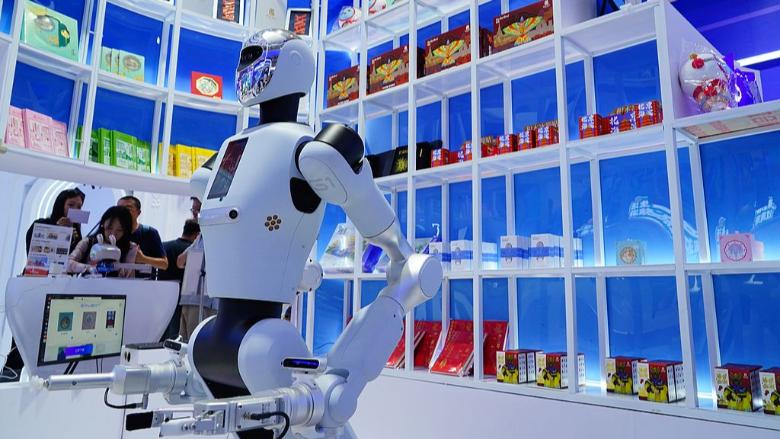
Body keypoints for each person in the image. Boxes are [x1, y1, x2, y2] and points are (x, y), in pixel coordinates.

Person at [158, 219, 201, 341]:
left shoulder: (164, 246)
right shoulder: (193, 250)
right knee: (176, 335)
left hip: (161, 295)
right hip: (182, 297)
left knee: (161, 331)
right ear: (197, 234)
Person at [67, 206, 138, 277]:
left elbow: (127, 274)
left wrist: (117, 263)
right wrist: (88, 268)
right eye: (109, 228)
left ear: (126, 231)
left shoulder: (131, 247)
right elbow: (67, 263)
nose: (113, 233)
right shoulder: (88, 242)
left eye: (119, 230)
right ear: (103, 224)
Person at [117, 196, 168, 275]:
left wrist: (143, 259)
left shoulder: (149, 232)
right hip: (112, 281)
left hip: (142, 282)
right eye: (119, 209)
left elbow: (164, 264)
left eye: (128, 208)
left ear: (138, 212)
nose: (122, 212)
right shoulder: (111, 233)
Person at [25, 187, 86, 255]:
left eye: (79, 207)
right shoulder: (40, 224)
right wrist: (58, 230)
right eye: (71, 205)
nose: (76, 210)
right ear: (60, 205)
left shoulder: (77, 236)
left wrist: (71, 235)